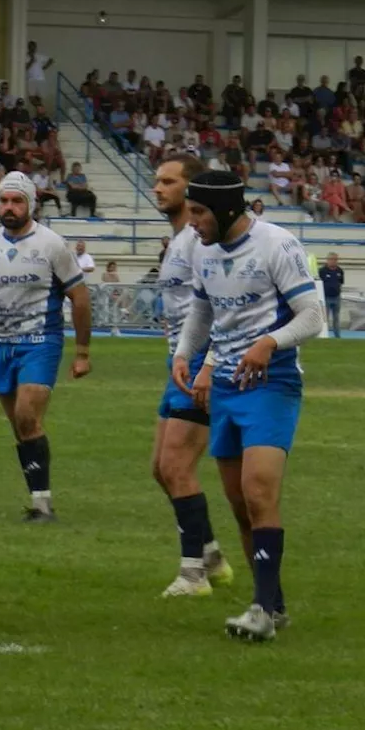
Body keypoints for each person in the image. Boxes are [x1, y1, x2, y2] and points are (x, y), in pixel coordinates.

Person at [170, 171, 324, 642]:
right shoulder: (200, 249)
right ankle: (273, 605)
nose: (191, 221)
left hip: (271, 384)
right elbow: (203, 310)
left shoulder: (277, 244)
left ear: (226, 210)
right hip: (224, 385)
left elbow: (314, 317)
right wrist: (184, 353)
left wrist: (269, 343)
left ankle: (259, 609)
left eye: (198, 211)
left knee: (259, 494)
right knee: (240, 506)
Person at [0, 172, 92, 522]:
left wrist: (82, 352)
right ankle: (37, 498)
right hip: (1, 345)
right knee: (20, 428)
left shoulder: (52, 245)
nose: (10, 207)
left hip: (40, 342)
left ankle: (43, 507)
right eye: (4, 200)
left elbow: (79, 297)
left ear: (30, 204)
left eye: (17, 201)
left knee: (26, 415)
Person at [151, 157, 233, 598]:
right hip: (179, 363)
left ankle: (193, 574)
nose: (158, 189)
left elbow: (219, 308)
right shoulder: (180, 240)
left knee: (176, 466)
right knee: (161, 470)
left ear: (192, 187)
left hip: (202, 364)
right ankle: (212, 557)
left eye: (168, 181)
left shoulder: (200, 243)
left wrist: (207, 365)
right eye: (156, 182)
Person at [319, 253, 344, 338]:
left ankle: (337, 336)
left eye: (335, 259)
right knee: (325, 318)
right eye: (332, 259)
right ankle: (324, 335)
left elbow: (341, 282)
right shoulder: (322, 271)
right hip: (326, 298)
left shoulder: (340, 271)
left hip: (336, 297)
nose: (333, 261)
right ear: (328, 260)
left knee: (336, 318)